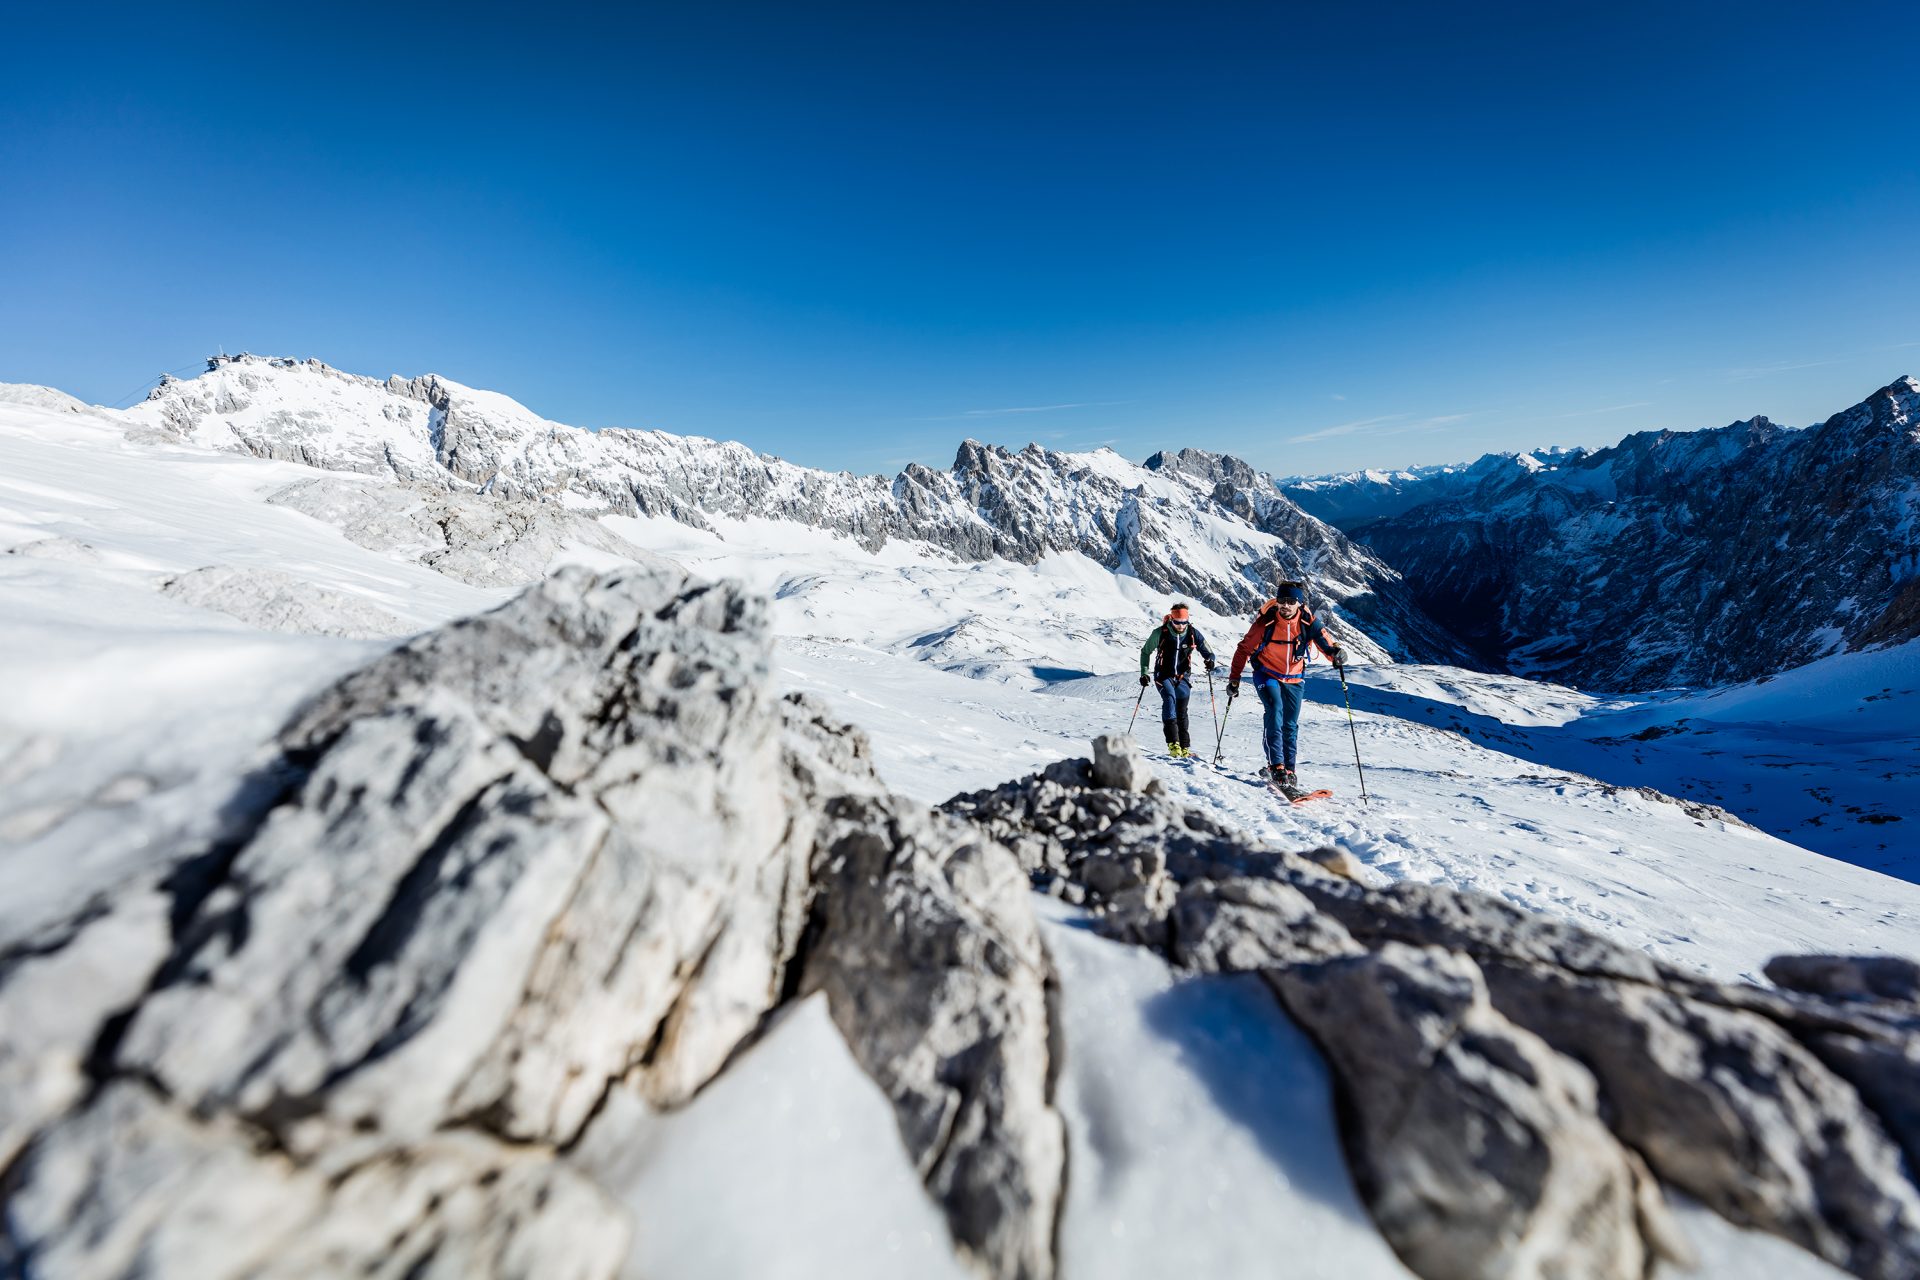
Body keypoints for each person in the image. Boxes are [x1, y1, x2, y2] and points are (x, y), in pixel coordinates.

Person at [1227, 583, 1346, 792]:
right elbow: (1243, 649)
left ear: (1299, 603)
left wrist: (1336, 655)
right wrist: (1234, 679)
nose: (1286, 605)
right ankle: (1276, 766)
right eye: (1282, 600)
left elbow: (1326, 645)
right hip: (1267, 673)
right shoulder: (1266, 623)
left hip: (1295, 678)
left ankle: (1289, 769)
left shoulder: (1308, 622)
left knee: (1290, 724)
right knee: (1274, 710)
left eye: (1291, 601)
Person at [1138, 603, 1216, 757]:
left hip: (1182, 677)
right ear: (1171, 619)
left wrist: (1210, 660)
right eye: (1177, 622)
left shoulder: (1193, 633)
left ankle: (1184, 747)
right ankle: (1173, 745)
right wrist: (1144, 673)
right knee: (1169, 699)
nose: (1181, 626)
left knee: (1182, 711)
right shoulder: (1160, 633)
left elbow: (1208, 652)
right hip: (1163, 675)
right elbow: (1145, 652)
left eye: (1184, 622)